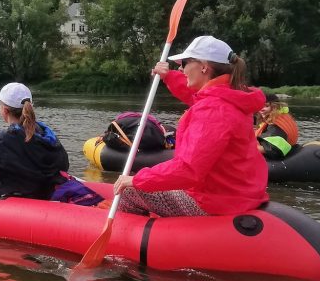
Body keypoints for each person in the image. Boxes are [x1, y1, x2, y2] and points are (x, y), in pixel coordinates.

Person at [113, 36, 267, 217]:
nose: (180, 68)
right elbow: (194, 95)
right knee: (141, 182)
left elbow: (188, 170)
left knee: (128, 192)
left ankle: (138, 239)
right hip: (240, 194)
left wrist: (137, 180)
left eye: (184, 63)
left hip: (214, 201)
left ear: (203, 66)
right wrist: (168, 76)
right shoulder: (230, 96)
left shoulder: (212, 110)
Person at [254, 91, 299, 159]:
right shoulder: (281, 116)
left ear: (274, 107)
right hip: (290, 151)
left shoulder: (275, 125)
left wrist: (245, 148)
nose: (261, 109)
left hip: (278, 157)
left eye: (266, 106)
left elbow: (273, 149)